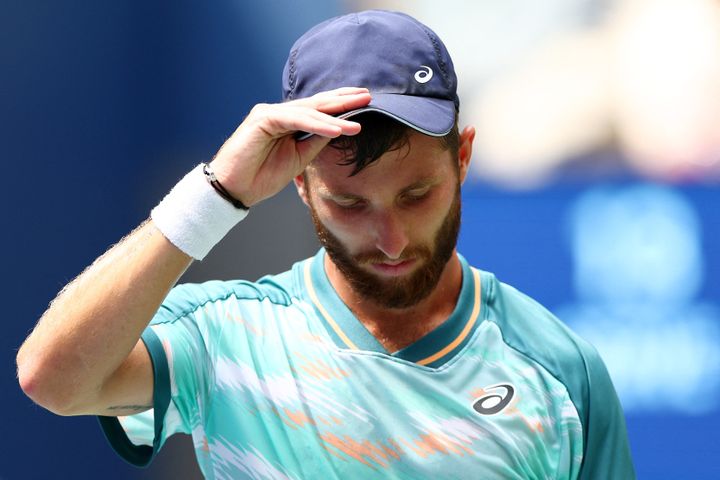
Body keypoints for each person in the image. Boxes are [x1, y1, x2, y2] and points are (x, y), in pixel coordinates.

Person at [16, 10, 635, 479]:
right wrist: (215, 195)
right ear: (301, 189)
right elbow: (53, 379)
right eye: (350, 204)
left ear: (464, 158)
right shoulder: (223, 335)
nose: (390, 240)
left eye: (415, 195)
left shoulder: (560, 372)